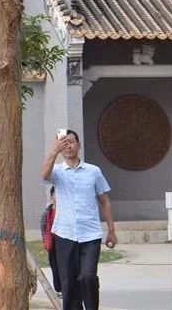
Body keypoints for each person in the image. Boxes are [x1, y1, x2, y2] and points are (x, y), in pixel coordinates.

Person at [41, 129, 116, 310]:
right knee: (69, 283)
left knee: (88, 277)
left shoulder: (93, 171)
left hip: (90, 235)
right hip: (65, 235)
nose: (68, 146)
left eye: (71, 142)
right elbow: (44, 175)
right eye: (64, 143)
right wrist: (53, 151)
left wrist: (111, 231)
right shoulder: (57, 172)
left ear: (79, 145)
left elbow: (104, 201)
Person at [41, 187, 62, 296]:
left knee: (65, 266)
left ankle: (66, 288)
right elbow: (43, 227)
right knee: (55, 267)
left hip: (64, 241)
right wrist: (45, 239)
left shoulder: (65, 211)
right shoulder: (47, 212)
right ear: (51, 196)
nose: (57, 197)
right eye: (55, 194)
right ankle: (58, 289)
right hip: (52, 242)